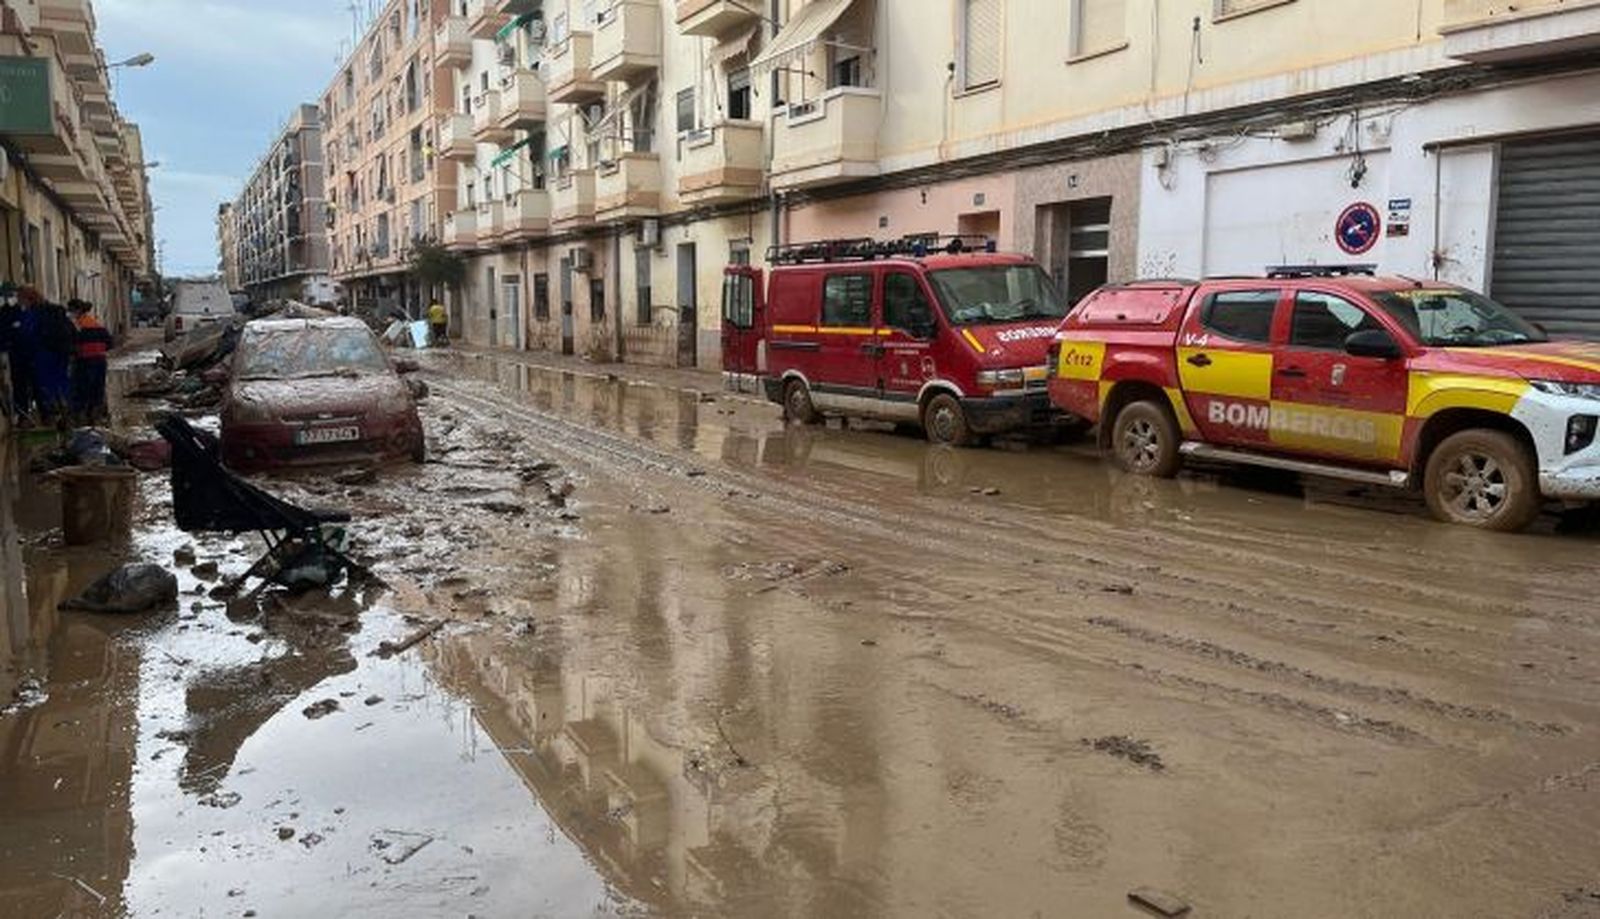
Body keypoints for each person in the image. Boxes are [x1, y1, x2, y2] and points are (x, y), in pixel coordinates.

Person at [23, 287, 75, 427]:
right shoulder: (57, 310)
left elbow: (28, 335)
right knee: (62, 383)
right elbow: (71, 330)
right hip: (61, 353)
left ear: (28, 299)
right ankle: (68, 414)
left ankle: (51, 418)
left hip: (43, 354)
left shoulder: (33, 313)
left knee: (46, 386)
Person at [69, 299, 112, 424]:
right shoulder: (95, 323)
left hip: (84, 360)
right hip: (99, 360)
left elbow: (73, 344)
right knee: (97, 388)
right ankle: (95, 415)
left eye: (71, 311)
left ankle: (82, 417)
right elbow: (109, 343)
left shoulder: (78, 326)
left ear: (77, 310)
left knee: (82, 388)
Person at [0, 282, 32, 424]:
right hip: (10, 354)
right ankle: (21, 413)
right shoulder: (4, 312)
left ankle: (26, 412)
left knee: (25, 384)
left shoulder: (25, 312)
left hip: (25, 353)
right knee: (16, 384)